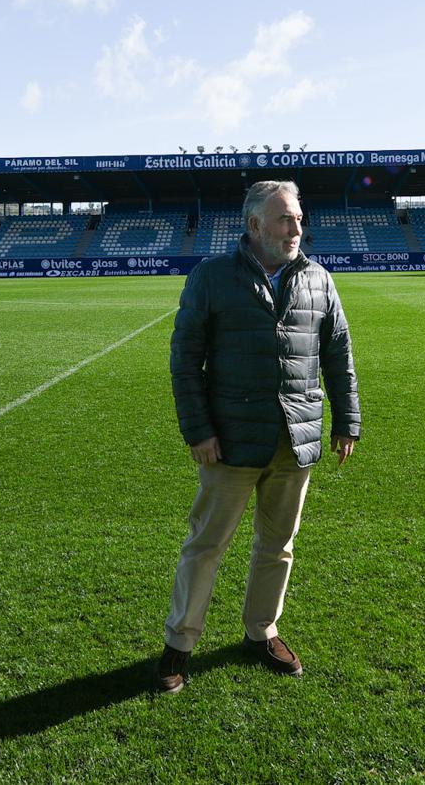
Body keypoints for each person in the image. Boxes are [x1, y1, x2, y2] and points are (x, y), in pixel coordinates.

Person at [157, 180, 361, 693]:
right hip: (229, 441)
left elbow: (338, 354)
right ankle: (179, 645)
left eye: (297, 218)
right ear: (254, 226)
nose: (296, 229)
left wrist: (346, 421)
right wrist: (198, 430)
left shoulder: (318, 278)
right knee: (206, 545)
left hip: (297, 438)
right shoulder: (212, 277)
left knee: (278, 545)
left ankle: (261, 631)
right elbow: (185, 360)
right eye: (284, 219)